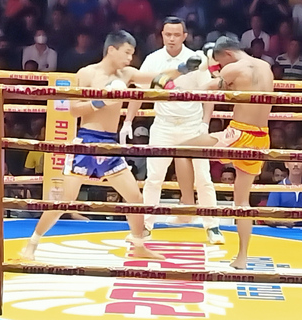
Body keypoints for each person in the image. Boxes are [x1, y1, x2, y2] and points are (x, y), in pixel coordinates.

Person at [21, 30, 202, 261]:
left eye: (132, 54)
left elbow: (156, 77)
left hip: (110, 144)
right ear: (112, 49)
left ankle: (138, 245)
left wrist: (184, 68)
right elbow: (74, 109)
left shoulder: (126, 74)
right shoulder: (87, 73)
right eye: (127, 53)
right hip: (86, 141)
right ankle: (32, 244)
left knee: (134, 199)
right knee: (63, 201)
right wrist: (102, 101)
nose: (129, 58)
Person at [121, 17, 224, 245]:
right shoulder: (153, 59)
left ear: (184, 36)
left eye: (176, 34)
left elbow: (208, 93)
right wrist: (128, 120)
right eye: (168, 34)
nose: (172, 39)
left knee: (204, 177)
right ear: (162, 34)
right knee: (154, 178)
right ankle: (145, 227)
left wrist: (205, 123)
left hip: (192, 124)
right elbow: (139, 92)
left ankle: (213, 226)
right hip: (164, 124)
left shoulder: (196, 59)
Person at [175, 36, 274, 269]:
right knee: (242, 201)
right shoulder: (266, 67)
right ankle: (242, 257)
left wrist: (187, 77)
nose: (219, 67)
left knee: (181, 149)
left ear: (227, 54)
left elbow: (202, 91)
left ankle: (188, 204)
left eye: (219, 62)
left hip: (238, 135)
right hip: (261, 137)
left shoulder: (234, 68)